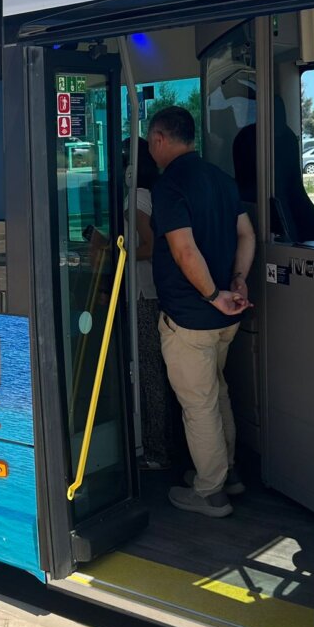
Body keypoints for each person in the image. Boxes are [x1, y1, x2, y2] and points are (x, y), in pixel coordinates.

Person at [148, 106, 255, 518]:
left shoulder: (169, 184)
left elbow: (183, 250)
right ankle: (229, 474)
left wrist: (213, 295)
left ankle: (210, 491)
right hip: (226, 318)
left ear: (159, 139)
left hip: (191, 317)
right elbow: (246, 234)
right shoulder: (221, 180)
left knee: (199, 405)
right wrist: (238, 283)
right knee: (218, 392)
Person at [124, 137, 173, 470]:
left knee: (149, 371)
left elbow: (150, 246)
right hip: (158, 291)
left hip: (143, 292)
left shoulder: (137, 197)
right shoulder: (155, 192)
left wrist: (119, 254)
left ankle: (156, 449)